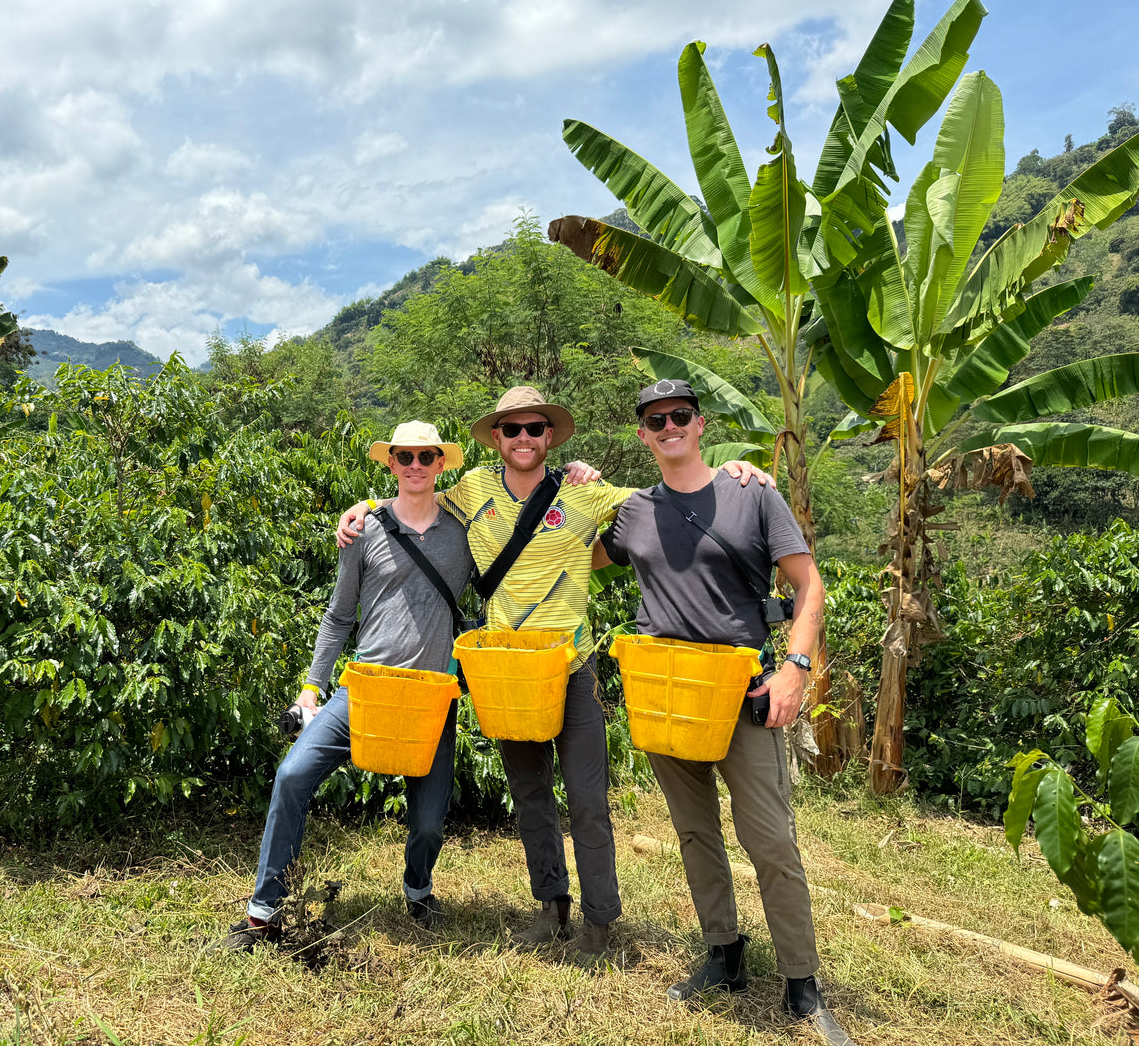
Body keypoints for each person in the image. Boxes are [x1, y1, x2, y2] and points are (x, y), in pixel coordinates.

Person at [338, 386, 769, 966]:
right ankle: (550, 906)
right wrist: (362, 510)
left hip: (573, 667)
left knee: (589, 799)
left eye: (534, 429)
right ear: (496, 438)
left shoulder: (583, 493)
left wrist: (730, 471)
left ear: (550, 437)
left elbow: (665, 493)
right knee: (531, 794)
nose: (523, 439)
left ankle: (599, 920)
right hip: (506, 672)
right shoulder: (471, 491)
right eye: (511, 429)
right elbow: (413, 496)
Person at [594, 379, 853, 1044]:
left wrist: (795, 669)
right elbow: (563, 552)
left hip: (742, 691)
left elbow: (806, 584)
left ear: (699, 424)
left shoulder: (750, 493)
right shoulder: (632, 511)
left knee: (769, 838)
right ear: (643, 435)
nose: (668, 426)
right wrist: (569, 491)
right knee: (693, 831)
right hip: (663, 692)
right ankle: (723, 954)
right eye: (655, 419)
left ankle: (800, 981)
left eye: (679, 415)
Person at [223, 421, 474, 951]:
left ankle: (418, 888)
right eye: (403, 455)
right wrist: (312, 689)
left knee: (429, 822)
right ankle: (264, 912)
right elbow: (338, 618)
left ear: (440, 463)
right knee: (292, 775)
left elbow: (514, 506)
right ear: (390, 463)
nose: (414, 465)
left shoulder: (464, 529)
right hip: (362, 689)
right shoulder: (363, 531)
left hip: (430, 697)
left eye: (425, 456)